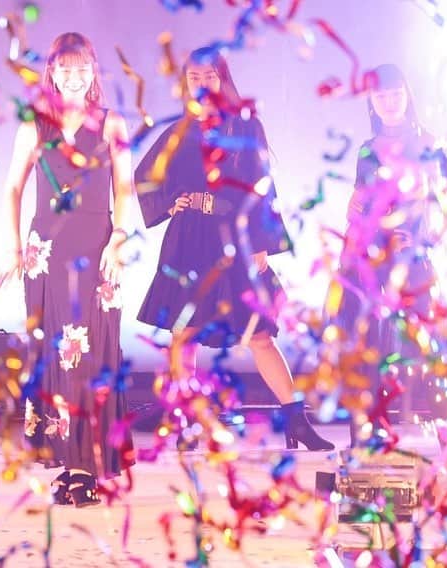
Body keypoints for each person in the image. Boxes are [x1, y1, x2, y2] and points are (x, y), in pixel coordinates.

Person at [135, 48, 334, 451]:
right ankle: (187, 421)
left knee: (260, 335)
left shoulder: (246, 126)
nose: (202, 83)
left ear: (222, 78)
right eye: (194, 77)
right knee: (184, 335)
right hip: (189, 242)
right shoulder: (178, 131)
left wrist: (263, 243)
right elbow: (145, 177)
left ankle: (296, 421)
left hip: (236, 240)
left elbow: (263, 185)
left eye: (209, 75)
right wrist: (171, 202)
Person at [0, 32, 134, 506]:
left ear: (93, 72)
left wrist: (119, 239)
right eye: (65, 69)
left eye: (82, 68)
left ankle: (87, 465)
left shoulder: (112, 122)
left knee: (91, 355)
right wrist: (14, 247)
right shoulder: (34, 124)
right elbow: (13, 188)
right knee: (55, 357)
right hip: (47, 250)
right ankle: (70, 462)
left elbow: (125, 188)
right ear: (52, 73)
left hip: (97, 245)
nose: (74, 77)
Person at [335, 63, 445, 445]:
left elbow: (442, 203)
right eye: (381, 96)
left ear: (407, 95)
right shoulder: (367, 149)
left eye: (395, 94)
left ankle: (446, 435)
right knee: (365, 343)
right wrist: (352, 214)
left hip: (411, 258)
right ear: (371, 101)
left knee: (422, 343)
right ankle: (365, 435)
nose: (389, 101)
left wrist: (420, 239)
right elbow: (360, 203)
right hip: (369, 257)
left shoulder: (427, 142)